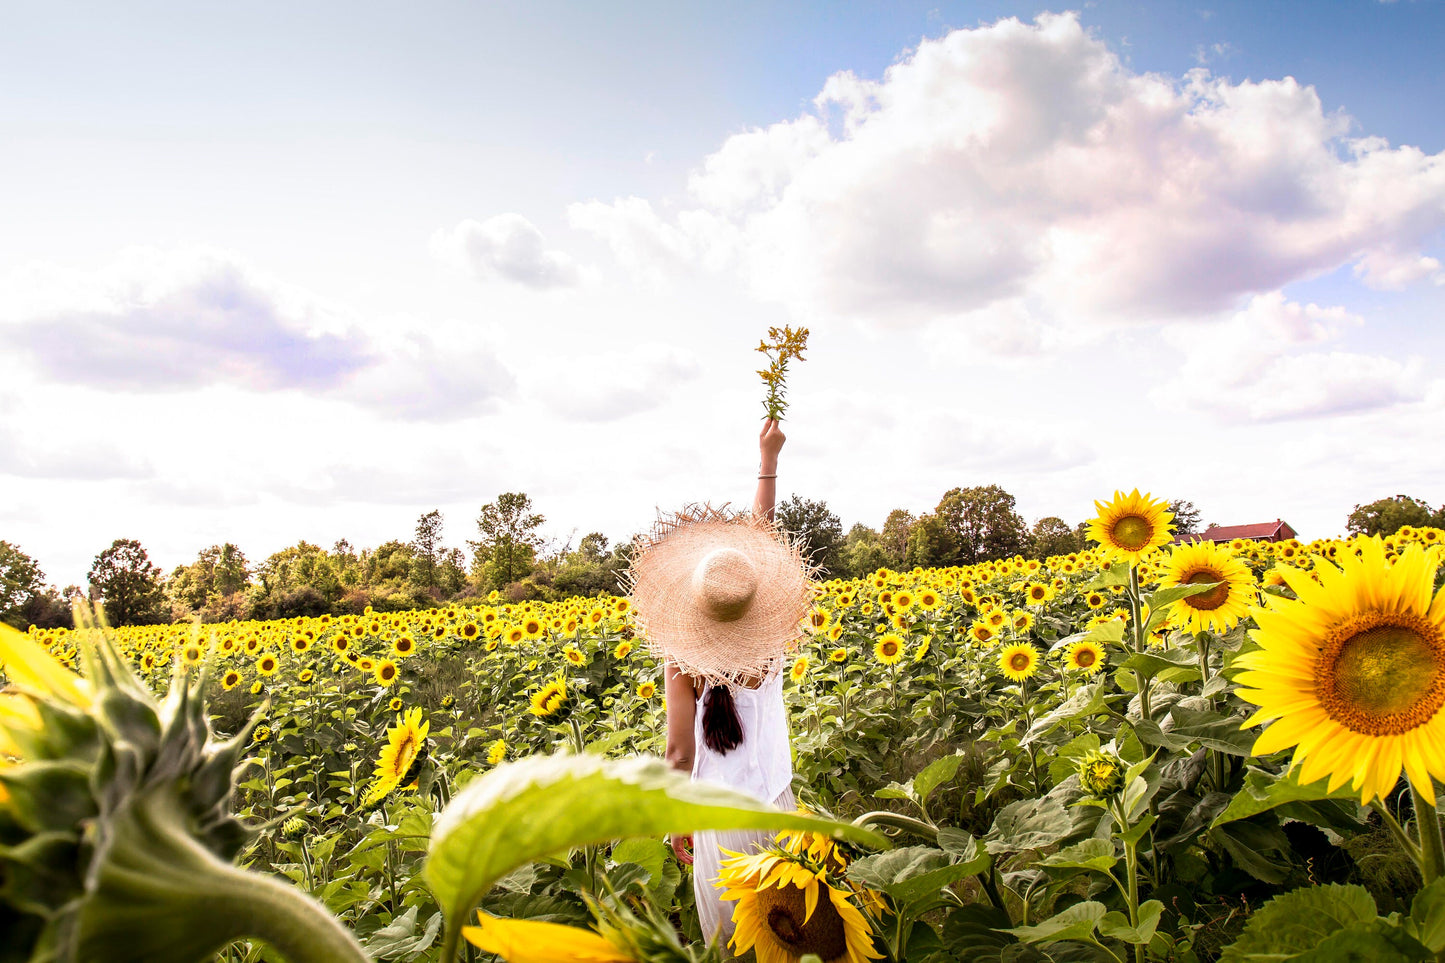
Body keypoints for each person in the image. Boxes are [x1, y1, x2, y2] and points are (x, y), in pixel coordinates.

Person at [626, 417, 811, 953]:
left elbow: (679, 751)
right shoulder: (770, 644)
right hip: (777, 802)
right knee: (790, 939)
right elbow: (763, 538)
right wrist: (768, 461)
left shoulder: (681, 659)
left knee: (733, 945)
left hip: (718, 817)